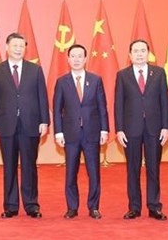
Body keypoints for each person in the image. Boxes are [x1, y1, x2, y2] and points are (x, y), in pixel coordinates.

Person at [0, 32, 49, 219]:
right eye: (14, 45)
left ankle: (32, 205)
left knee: (30, 165)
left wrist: (44, 120)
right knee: (9, 166)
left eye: (21, 46)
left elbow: (42, 97)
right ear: (7, 47)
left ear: (25, 48)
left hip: (30, 124)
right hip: (6, 124)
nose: (18, 49)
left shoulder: (35, 69)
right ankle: (10, 206)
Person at [114, 39, 168, 221]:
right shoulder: (123, 75)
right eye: (135, 51)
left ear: (148, 53)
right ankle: (134, 207)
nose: (139, 54)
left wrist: (166, 127)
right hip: (131, 129)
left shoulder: (159, 73)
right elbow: (118, 104)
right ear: (129, 55)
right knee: (133, 169)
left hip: (155, 129)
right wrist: (119, 129)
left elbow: (165, 102)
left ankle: (154, 207)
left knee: (154, 169)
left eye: (143, 50)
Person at [53, 44, 108, 220]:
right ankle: (72, 207)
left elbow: (102, 108)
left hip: (92, 133)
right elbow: (57, 109)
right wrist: (58, 132)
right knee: (70, 173)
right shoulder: (62, 82)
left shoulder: (96, 79)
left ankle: (94, 207)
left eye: (80, 56)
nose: (76, 59)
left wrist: (104, 130)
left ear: (85, 59)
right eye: (73, 56)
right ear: (68, 59)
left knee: (94, 172)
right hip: (70, 134)